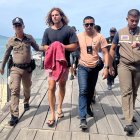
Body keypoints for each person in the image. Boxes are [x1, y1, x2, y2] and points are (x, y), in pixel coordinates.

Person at [0, 17, 42, 126]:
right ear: (14, 27)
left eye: (19, 25)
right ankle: (14, 115)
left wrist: (50, 47)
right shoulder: (11, 40)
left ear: (23, 26)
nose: (18, 27)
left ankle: (26, 101)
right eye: (16, 25)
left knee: (27, 88)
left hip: (27, 69)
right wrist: (2, 66)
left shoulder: (30, 38)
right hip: (15, 69)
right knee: (15, 90)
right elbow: (6, 54)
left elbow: (37, 48)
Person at [42, 7, 78, 127]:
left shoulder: (69, 30)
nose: (54, 17)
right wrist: (53, 47)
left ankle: (60, 107)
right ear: (50, 17)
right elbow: (44, 46)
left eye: (57, 15)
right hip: (51, 64)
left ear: (61, 16)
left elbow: (74, 46)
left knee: (62, 85)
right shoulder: (47, 31)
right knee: (51, 87)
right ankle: (52, 113)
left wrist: (62, 46)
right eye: (52, 15)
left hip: (64, 64)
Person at [110, 9, 140, 135]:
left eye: (136, 21)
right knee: (126, 91)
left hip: (138, 66)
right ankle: (128, 122)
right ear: (127, 19)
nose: (134, 23)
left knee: (134, 91)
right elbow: (112, 49)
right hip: (124, 65)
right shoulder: (119, 33)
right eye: (132, 20)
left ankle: (130, 112)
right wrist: (109, 65)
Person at [77, 16, 109, 129]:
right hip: (82, 67)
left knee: (90, 91)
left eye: (91, 24)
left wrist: (106, 67)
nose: (89, 26)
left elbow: (105, 53)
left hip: (95, 67)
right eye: (87, 24)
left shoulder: (100, 36)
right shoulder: (79, 36)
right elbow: (71, 47)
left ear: (94, 24)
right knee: (83, 90)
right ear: (83, 25)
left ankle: (88, 107)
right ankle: (83, 118)